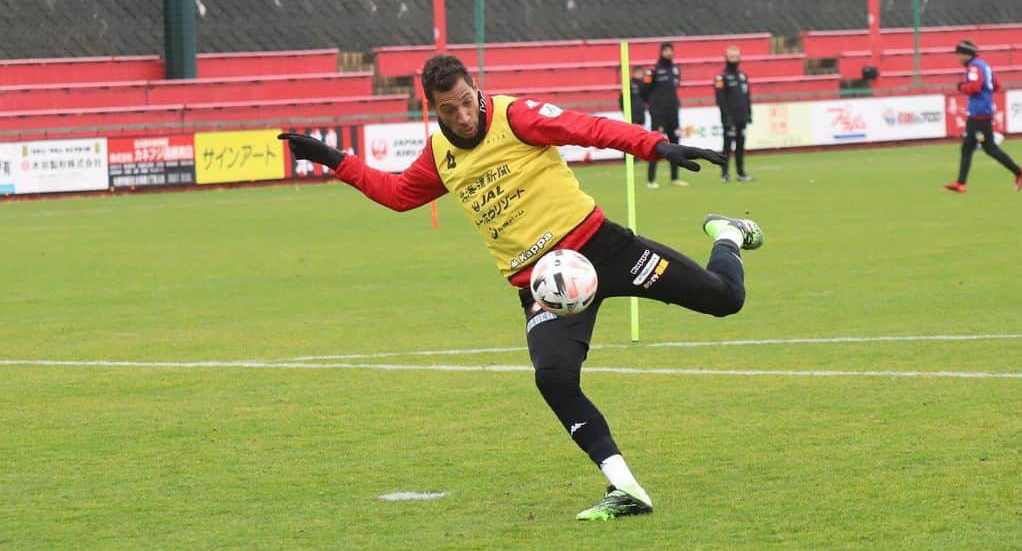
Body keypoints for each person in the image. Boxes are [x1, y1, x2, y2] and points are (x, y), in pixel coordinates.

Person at [279, 54, 764, 522]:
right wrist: (331, 158)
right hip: (544, 285)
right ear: (433, 107)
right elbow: (398, 194)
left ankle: (726, 235)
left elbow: (588, 128)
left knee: (726, 299)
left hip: (602, 248)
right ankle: (624, 486)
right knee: (553, 378)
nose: (464, 116)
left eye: (468, 101)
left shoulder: (516, 116)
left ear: (476, 90)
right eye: (449, 109)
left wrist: (656, 146)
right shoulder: (439, 155)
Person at [944, 39, 1022, 194]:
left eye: (959, 55)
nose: (957, 58)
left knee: (988, 148)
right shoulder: (984, 65)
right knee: (968, 147)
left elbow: (974, 87)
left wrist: (961, 87)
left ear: (966, 54)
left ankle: (1019, 172)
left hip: (979, 114)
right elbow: (996, 85)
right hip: (982, 112)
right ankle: (960, 183)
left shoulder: (974, 67)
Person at [644, 41, 685, 188]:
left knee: (674, 144)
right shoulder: (653, 70)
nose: (668, 53)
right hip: (658, 114)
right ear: (661, 52)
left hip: (673, 113)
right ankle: (651, 180)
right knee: (656, 144)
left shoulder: (675, 69)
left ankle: (675, 177)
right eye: (666, 50)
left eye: (670, 50)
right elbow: (644, 91)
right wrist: (655, 107)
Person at [714, 45, 753, 183]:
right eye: (732, 56)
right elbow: (720, 99)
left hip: (741, 117)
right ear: (726, 58)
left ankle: (741, 173)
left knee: (741, 146)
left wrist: (749, 113)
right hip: (729, 118)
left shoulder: (743, 76)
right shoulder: (721, 77)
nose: (734, 59)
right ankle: (724, 174)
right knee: (727, 147)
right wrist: (727, 117)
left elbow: (747, 96)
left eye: (737, 56)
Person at [618, 64, 650, 128]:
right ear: (634, 73)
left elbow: (647, 98)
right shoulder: (629, 84)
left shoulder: (643, 84)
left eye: (641, 73)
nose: (640, 74)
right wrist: (624, 111)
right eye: (638, 72)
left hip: (641, 113)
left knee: (640, 130)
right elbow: (622, 99)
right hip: (632, 113)